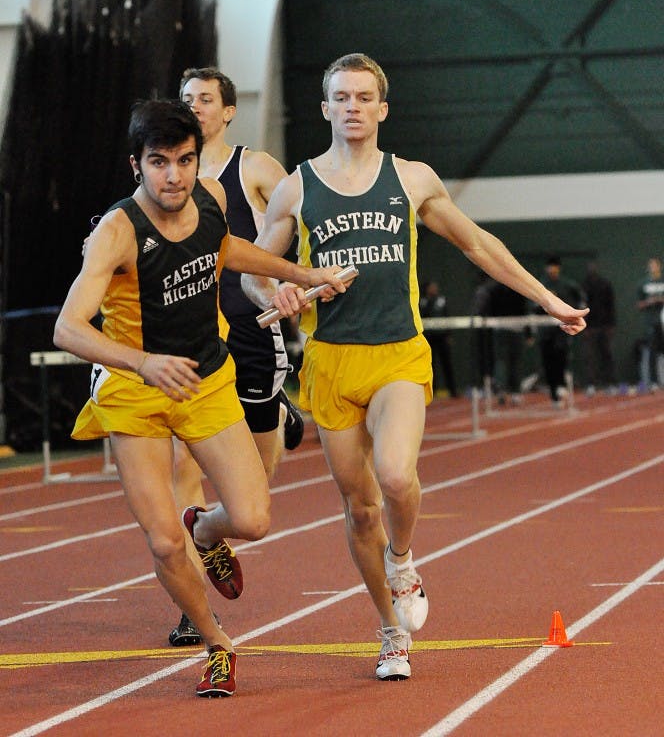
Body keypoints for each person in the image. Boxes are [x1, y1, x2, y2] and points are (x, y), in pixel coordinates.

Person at [241, 53, 588, 682]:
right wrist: (279, 294)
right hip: (330, 363)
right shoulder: (297, 186)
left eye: (363, 97)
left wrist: (546, 300)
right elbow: (253, 275)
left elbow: (478, 244)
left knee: (396, 477)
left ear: (382, 108)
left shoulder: (412, 179)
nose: (352, 107)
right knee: (360, 508)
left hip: (399, 352)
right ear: (325, 108)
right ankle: (389, 630)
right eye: (340, 97)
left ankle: (403, 559)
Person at [53, 99, 349, 698]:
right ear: (136, 164)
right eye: (159, 163)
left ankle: (206, 531)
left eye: (184, 161)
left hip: (207, 378)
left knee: (253, 519)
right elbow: (67, 328)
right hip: (135, 390)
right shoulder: (116, 232)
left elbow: (229, 250)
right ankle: (217, 643)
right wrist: (142, 361)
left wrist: (303, 275)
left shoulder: (210, 196)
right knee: (162, 540)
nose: (174, 176)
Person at [166, 66, 303, 648]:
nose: (194, 107)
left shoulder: (255, 167)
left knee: (254, 485)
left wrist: (297, 279)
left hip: (248, 326)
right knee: (183, 465)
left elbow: (305, 212)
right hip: (190, 337)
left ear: (227, 112)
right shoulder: (167, 175)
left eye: (205, 100)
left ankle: (278, 413)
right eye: (185, 99)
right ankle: (191, 595)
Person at [536, 256, 585, 405]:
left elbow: (581, 300)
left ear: (558, 268)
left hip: (562, 331)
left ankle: (561, 386)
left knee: (561, 359)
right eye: (550, 266)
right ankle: (554, 394)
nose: (552, 269)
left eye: (554, 266)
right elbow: (534, 307)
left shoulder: (568, 285)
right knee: (548, 362)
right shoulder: (541, 286)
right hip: (545, 331)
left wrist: (576, 313)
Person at [582, 260, 617, 395]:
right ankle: (591, 384)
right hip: (590, 327)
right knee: (590, 357)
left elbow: (611, 305)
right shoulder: (584, 286)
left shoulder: (605, 284)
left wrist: (611, 325)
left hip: (604, 326)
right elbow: (582, 306)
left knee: (606, 355)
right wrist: (585, 327)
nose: (592, 270)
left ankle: (610, 384)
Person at [418, 279, 457, 397]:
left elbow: (447, 316)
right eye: (432, 287)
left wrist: (448, 335)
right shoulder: (422, 302)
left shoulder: (442, 300)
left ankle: (453, 390)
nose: (434, 289)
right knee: (431, 365)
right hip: (429, 337)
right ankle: (432, 390)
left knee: (447, 364)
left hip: (442, 337)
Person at [636, 256, 664, 390]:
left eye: (655, 265)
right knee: (652, 352)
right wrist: (650, 301)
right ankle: (653, 382)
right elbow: (639, 304)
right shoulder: (643, 284)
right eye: (651, 265)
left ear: (660, 266)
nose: (653, 267)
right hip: (652, 323)